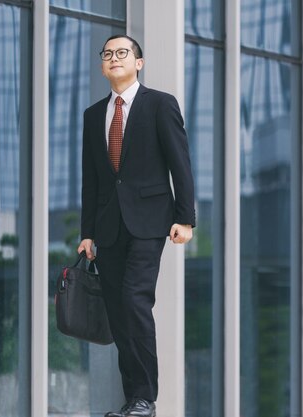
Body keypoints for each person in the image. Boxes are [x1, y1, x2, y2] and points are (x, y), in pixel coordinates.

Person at [77, 34, 196, 417]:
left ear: (138, 63)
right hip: (108, 228)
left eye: (122, 53)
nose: (114, 58)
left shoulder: (160, 105)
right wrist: (87, 233)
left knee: (135, 302)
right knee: (118, 310)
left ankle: (146, 398)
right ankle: (135, 401)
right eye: (108, 54)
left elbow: (181, 163)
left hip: (149, 223)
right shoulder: (93, 115)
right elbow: (91, 179)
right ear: (102, 66)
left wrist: (185, 217)